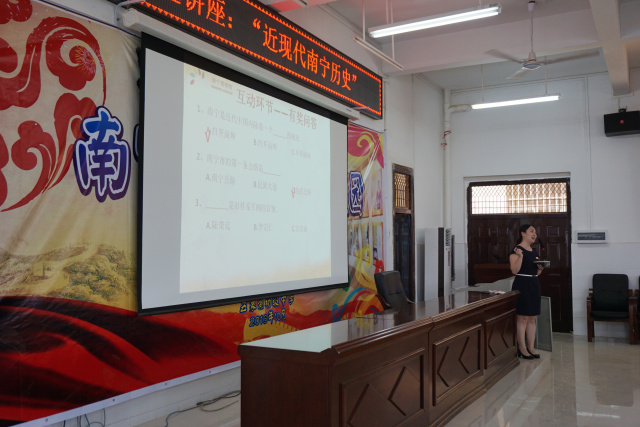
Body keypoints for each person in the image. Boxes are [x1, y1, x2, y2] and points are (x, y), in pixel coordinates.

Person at [509, 224, 545, 360]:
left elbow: (536, 272)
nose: (534, 234)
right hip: (522, 284)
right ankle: (522, 348)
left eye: (535, 232)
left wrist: (540, 268)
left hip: (534, 284)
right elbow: (514, 270)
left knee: (532, 318)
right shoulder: (516, 250)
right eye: (531, 231)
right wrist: (520, 257)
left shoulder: (535, 251)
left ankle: (531, 347)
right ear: (523, 233)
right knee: (522, 318)